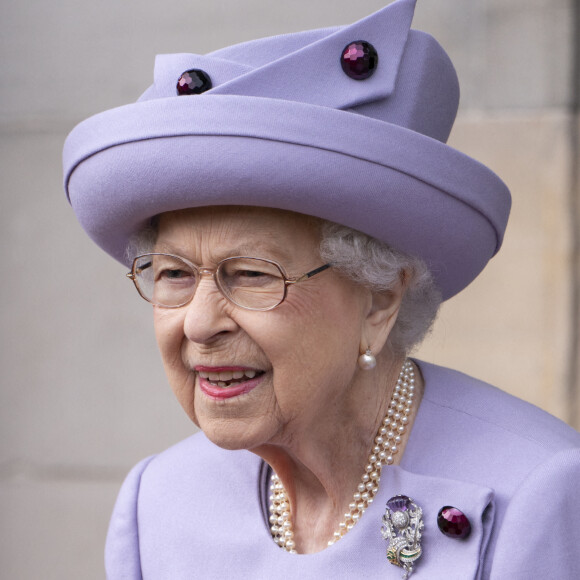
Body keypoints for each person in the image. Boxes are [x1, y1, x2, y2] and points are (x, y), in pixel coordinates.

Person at [63, 0, 580, 578]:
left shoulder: (542, 492)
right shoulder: (157, 501)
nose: (200, 323)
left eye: (253, 274)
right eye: (174, 274)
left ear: (380, 298)